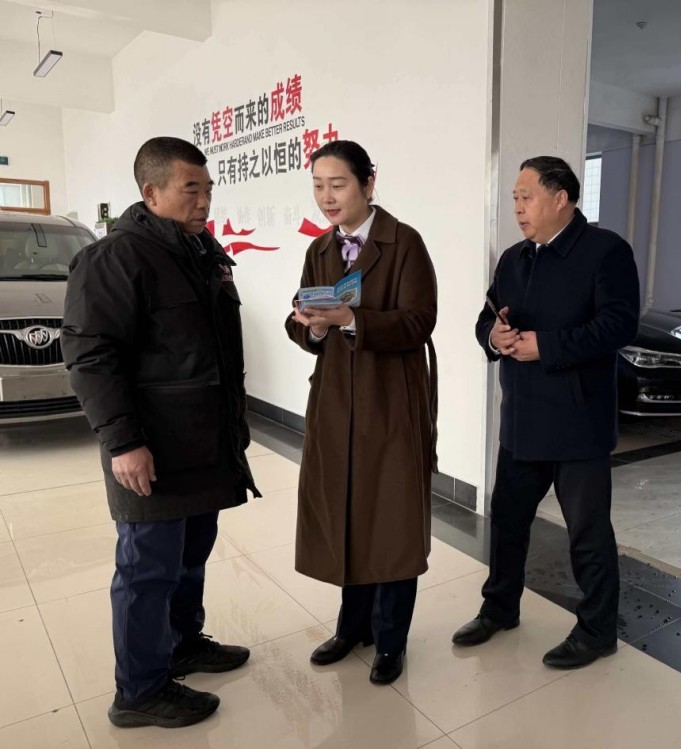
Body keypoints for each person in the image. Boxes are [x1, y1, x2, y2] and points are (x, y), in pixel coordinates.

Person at [62, 137, 260, 728]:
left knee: (190, 555)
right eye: (190, 189)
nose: (204, 201)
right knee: (147, 569)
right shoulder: (115, 259)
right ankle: (139, 690)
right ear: (151, 193)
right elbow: (92, 357)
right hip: (150, 446)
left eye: (208, 189)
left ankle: (181, 643)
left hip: (202, 443)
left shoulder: (199, 252)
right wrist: (122, 441)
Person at [453, 156, 640, 669]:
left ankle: (597, 630)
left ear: (561, 199)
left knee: (587, 532)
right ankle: (499, 609)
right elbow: (486, 316)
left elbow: (619, 325)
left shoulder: (605, 251)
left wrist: (548, 346)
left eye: (526, 196)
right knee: (508, 521)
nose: (517, 207)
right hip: (522, 419)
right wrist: (494, 336)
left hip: (578, 423)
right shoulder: (514, 259)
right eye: (514, 198)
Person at [286, 140, 438, 686]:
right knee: (346, 513)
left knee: (391, 521)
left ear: (368, 183)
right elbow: (300, 320)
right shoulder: (320, 248)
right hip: (335, 404)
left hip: (389, 403)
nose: (327, 197)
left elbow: (419, 321)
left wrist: (351, 320)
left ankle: (391, 640)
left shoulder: (404, 242)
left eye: (338, 184)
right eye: (318, 186)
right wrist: (312, 327)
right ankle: (353, 627)